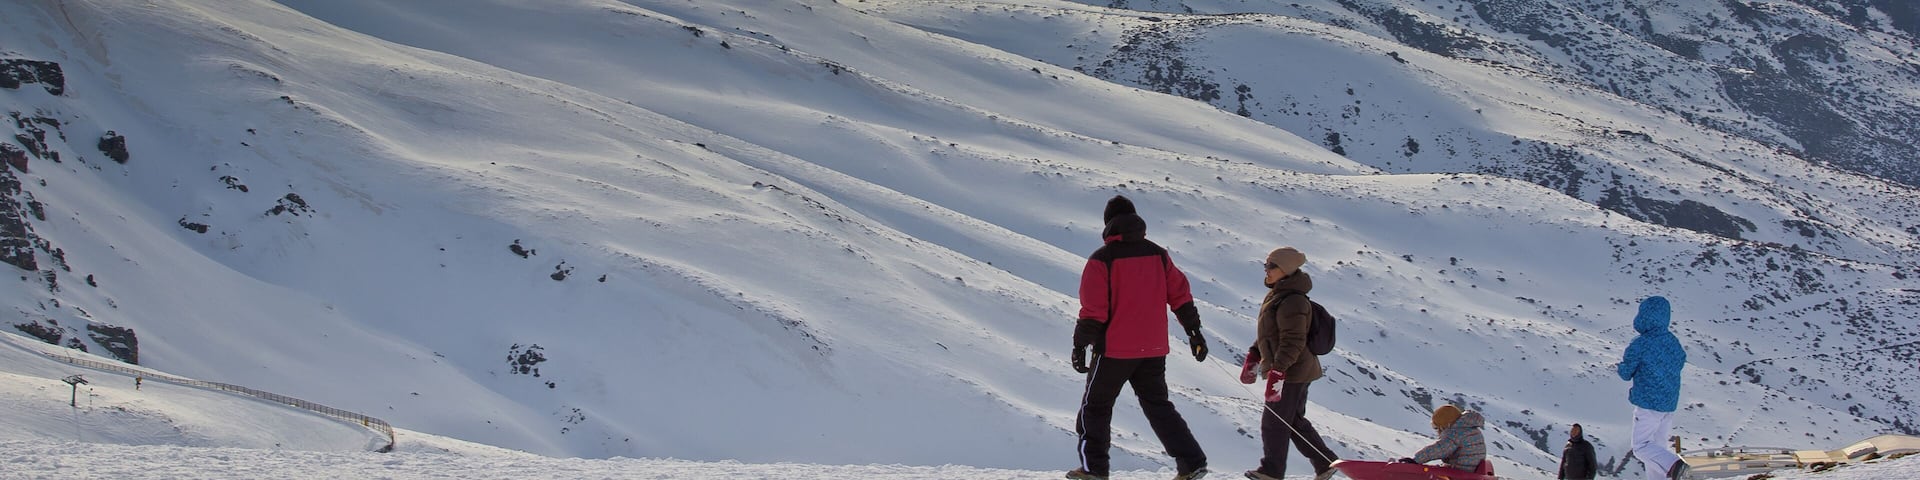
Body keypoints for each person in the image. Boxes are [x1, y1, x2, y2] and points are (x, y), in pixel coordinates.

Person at [1069, 195, 1209, 480]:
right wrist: (1194, 332)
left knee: (1095, 408)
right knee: (1158, 406)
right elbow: (1180, 296)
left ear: (1108, 223)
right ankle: (1191, 463)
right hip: (1153, 349)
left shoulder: (1102, 259)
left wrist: (1080, 345)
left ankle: (1094, 469)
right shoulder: (1158, 255)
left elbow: (1094, 310)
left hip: (1114, 351)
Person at [1241, 247, 1338, 480]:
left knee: (1274, 421)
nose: (1266, 270)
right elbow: (1269, 334)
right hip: (1294, 371)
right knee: (1293, 421)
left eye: (1271, 266)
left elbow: (1293, 340)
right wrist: (1254, 356)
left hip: (1291, 372)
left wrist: (1278, 371)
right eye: (1266, 265)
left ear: (1286, 269)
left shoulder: (1293, 300)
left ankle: (1272, 472)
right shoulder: (1278, 295)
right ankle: (1325, 463)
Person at [1617, 296, 1689, 480]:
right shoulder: (1673, 342)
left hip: (1648, 403)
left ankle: (1677, 466)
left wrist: (1622, 367)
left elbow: (1626, 372)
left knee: (1641, 447)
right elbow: (1680, 361)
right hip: (1668, 404)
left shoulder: (1641, 343)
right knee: (1657, 450)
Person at [1392, 404, 1486, 472]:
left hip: (1460, 472)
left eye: (1437, 428)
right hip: (1472, 471)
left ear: (1446, 425)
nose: (1438, 432)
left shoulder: (1456, 433)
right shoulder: (1471, 429)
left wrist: (1416, 460)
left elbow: (1439, 449)